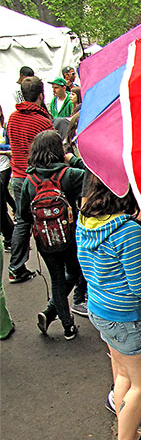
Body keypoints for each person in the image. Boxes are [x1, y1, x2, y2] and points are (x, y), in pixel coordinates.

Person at [76, 173, 141, 440]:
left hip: (101, 310)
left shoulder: (85, 222)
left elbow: (107, 265)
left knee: (122, 377)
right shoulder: (128, 231)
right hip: (129, 319)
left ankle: (127, 433)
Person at [18, 130, 86, 339]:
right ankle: (51, 311)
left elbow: (23, 214)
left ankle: (66, 326)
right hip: (69, 236)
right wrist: (72, 159)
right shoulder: (69, 175)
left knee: (56, 279)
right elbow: (93, 174)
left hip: (44, 239)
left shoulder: (30, 180)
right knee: (74, 273)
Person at [7, 76, 54, 283]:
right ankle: (56, 264)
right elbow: (54, 153)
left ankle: (16, 267)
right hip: (37, 179)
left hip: (17, 176)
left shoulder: (12, 118)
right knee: (49, 218)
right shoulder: (43, 122)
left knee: (21, 222)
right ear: (41, 95)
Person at [0, 105, 14, 251]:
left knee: (3, 191)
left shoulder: (4, 129)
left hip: (4, 167)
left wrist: (3, 150)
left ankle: (9, 237)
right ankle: (10, 235)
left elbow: (11, 145)